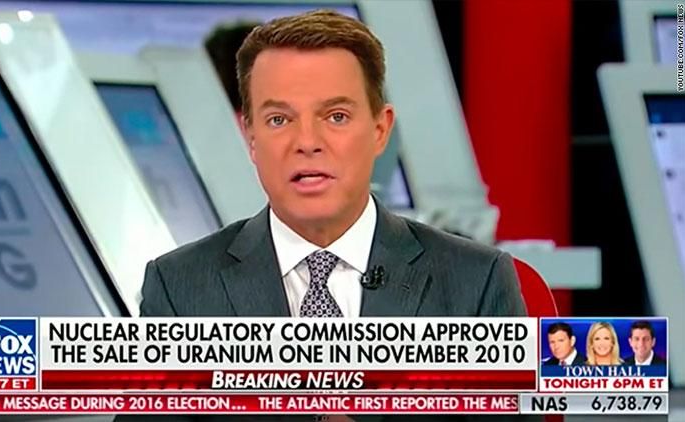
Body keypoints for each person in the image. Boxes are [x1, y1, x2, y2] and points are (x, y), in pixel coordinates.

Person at [132, 9, 533, 422]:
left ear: (380, 130)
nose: (307, 142)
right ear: (251, 138)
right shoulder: (180, 287)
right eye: (279, 119)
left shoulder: (474, 282)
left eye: (336, 116)